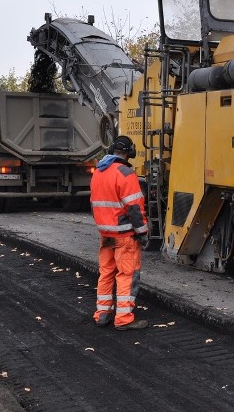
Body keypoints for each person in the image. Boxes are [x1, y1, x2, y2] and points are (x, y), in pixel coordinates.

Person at [90, 135, 149, 330]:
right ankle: (123, 318)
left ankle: (102, 313)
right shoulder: (125, 173)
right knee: (126, 274)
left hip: (105, 233)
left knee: (106, 272)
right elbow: (134, 208)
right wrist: (143, 233)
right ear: (129, 152)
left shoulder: (99, 171)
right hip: (124, 234)